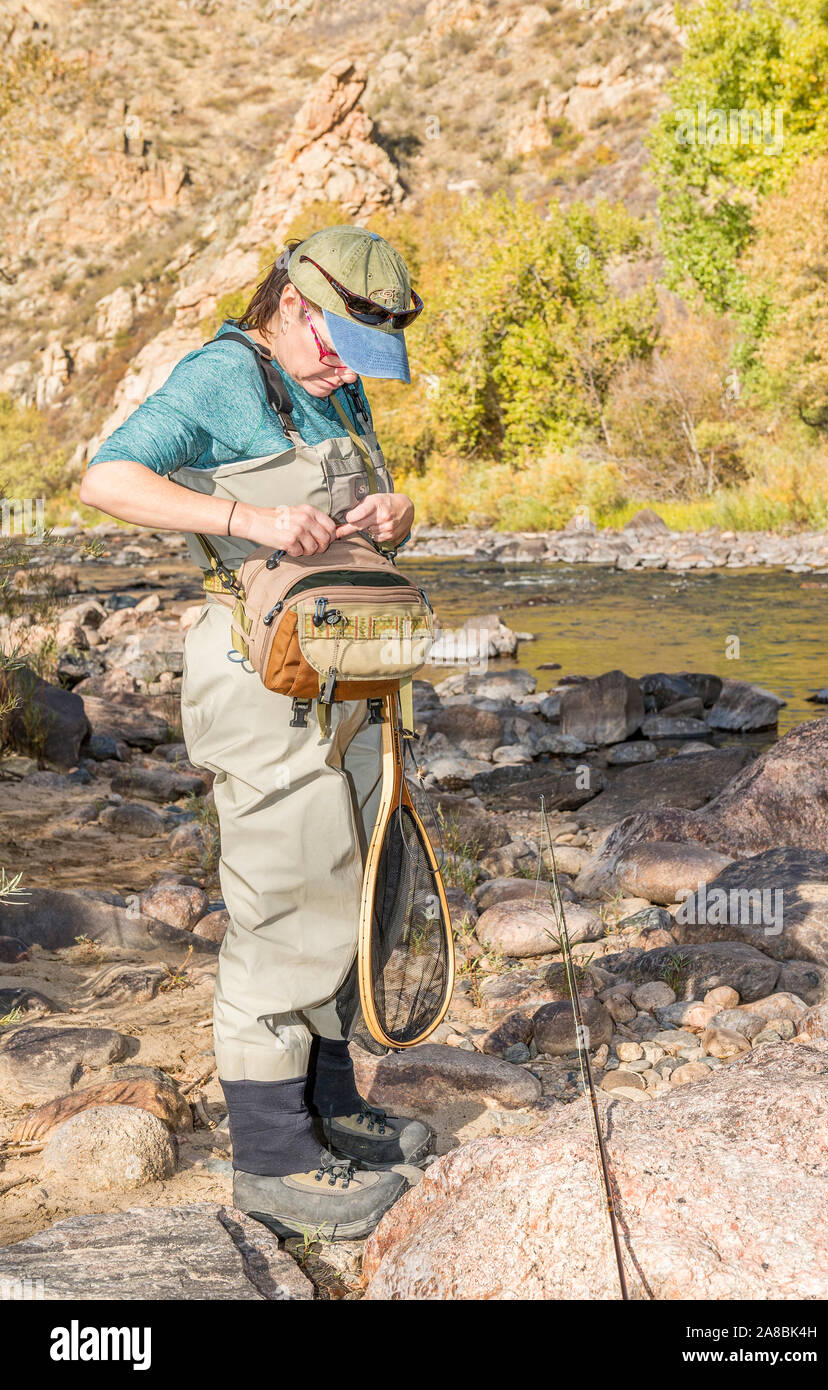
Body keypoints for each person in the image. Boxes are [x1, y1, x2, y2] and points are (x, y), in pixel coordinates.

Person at [80, 225, 432, 1240]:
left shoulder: (338, 386)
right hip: (258, 680)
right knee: (285, 893)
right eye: (337, 345)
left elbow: (338, 511)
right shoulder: (223, 375)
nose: (345, 370)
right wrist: (248, 520)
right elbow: (108, 478)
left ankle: (330, 1104)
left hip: (352, 672)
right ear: (291, 305)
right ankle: (274, 1155)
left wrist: (389, 518)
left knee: (355, 879)